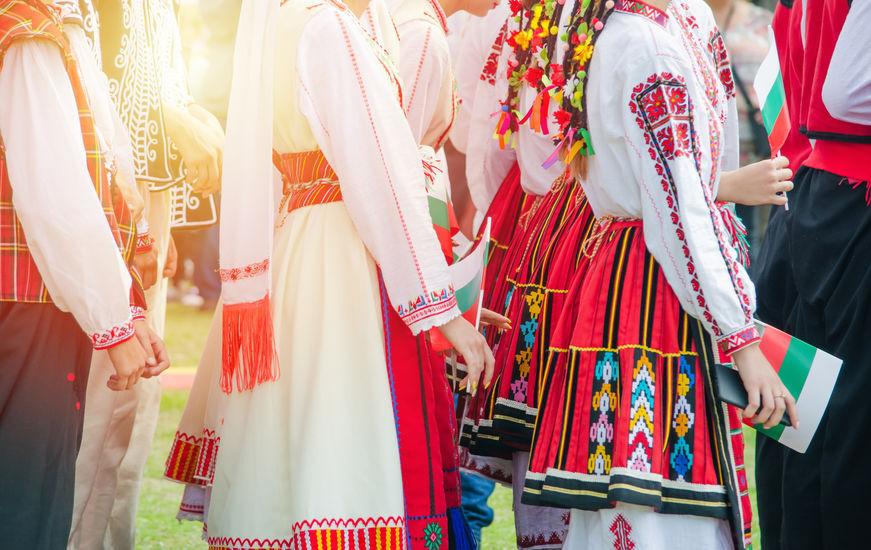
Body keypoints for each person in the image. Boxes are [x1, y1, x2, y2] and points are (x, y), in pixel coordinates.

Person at [165, 0, 494, 547]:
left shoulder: (291, 22)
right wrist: (443, 311)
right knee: (345, 433)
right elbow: (381, 176)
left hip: (300, 239)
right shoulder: (330, 28)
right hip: (346, 250)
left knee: (305, 429)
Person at [520, 0, 799, 547]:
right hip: (654, 292)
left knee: (628, 501)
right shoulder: (650, 49)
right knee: (657, 507)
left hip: (625, 275)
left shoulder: (622, 30)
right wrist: (743, 343)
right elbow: (681, 216)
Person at [0, 1, 166, 547]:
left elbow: (102, 172)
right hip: (27, 306)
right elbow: (56, 196)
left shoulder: (53, 27)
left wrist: (125, 308)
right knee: (26, 504)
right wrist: (114, 324)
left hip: (38, 301)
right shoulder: (28, 31)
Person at [69, 1, 221, 547]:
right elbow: (87, 79)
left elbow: (160, 70)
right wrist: (171, 118)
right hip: (99, 197)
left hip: (144, 202)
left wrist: (167, 222)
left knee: (131, 413)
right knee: (98, 405)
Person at [753, 0, 871, 547]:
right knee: (839, 417)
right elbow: (843, 95)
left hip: (812, 185)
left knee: (806, 411)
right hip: (846, 196)